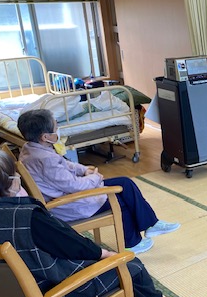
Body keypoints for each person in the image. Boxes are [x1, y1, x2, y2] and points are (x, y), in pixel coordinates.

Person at [0, 149, 184, 297]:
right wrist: (106, 254)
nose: (18, 177)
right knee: (129, 264)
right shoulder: (28, 217)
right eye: (14, 175)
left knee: (96, 257)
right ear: (7, 184)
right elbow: (72, 246)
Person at [17, 109, 179, 254]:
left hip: (63, 194)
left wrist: (83, 170)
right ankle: (133, 243)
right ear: (45, 137)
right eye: (55, 127)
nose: (58, 129)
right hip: (66, 204)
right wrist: (94, 177)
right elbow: (74, 186)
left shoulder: (31, 148)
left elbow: (65, 165)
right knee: (120, 200)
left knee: (125, 183)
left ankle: (152, 224)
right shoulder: (46, 160)